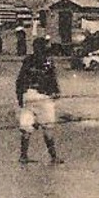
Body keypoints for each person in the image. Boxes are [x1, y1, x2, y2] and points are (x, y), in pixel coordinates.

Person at [16, 37, 63, 165]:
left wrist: (20, 99)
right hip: (43, 97)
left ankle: (23, 155)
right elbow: (52, 80)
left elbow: (19, 81)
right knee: (47, 128)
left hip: (28, 95)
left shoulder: (28, 61)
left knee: (26, 126)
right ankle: (53, 157)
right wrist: (56, 93)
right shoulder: (48, 62)